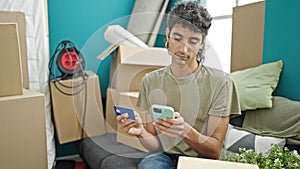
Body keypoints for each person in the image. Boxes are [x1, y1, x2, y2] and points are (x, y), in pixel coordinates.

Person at [116, 1, 241, 169]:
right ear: (168, 35)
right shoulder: (150, 81)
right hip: (164, 156)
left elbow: (214, 151)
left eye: (193, 41)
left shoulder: (221, 82)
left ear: (202, 43)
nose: (184, 49)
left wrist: (184, 130)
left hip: (202, 161)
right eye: (177, 38)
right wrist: (140, 132)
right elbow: (154, 146)